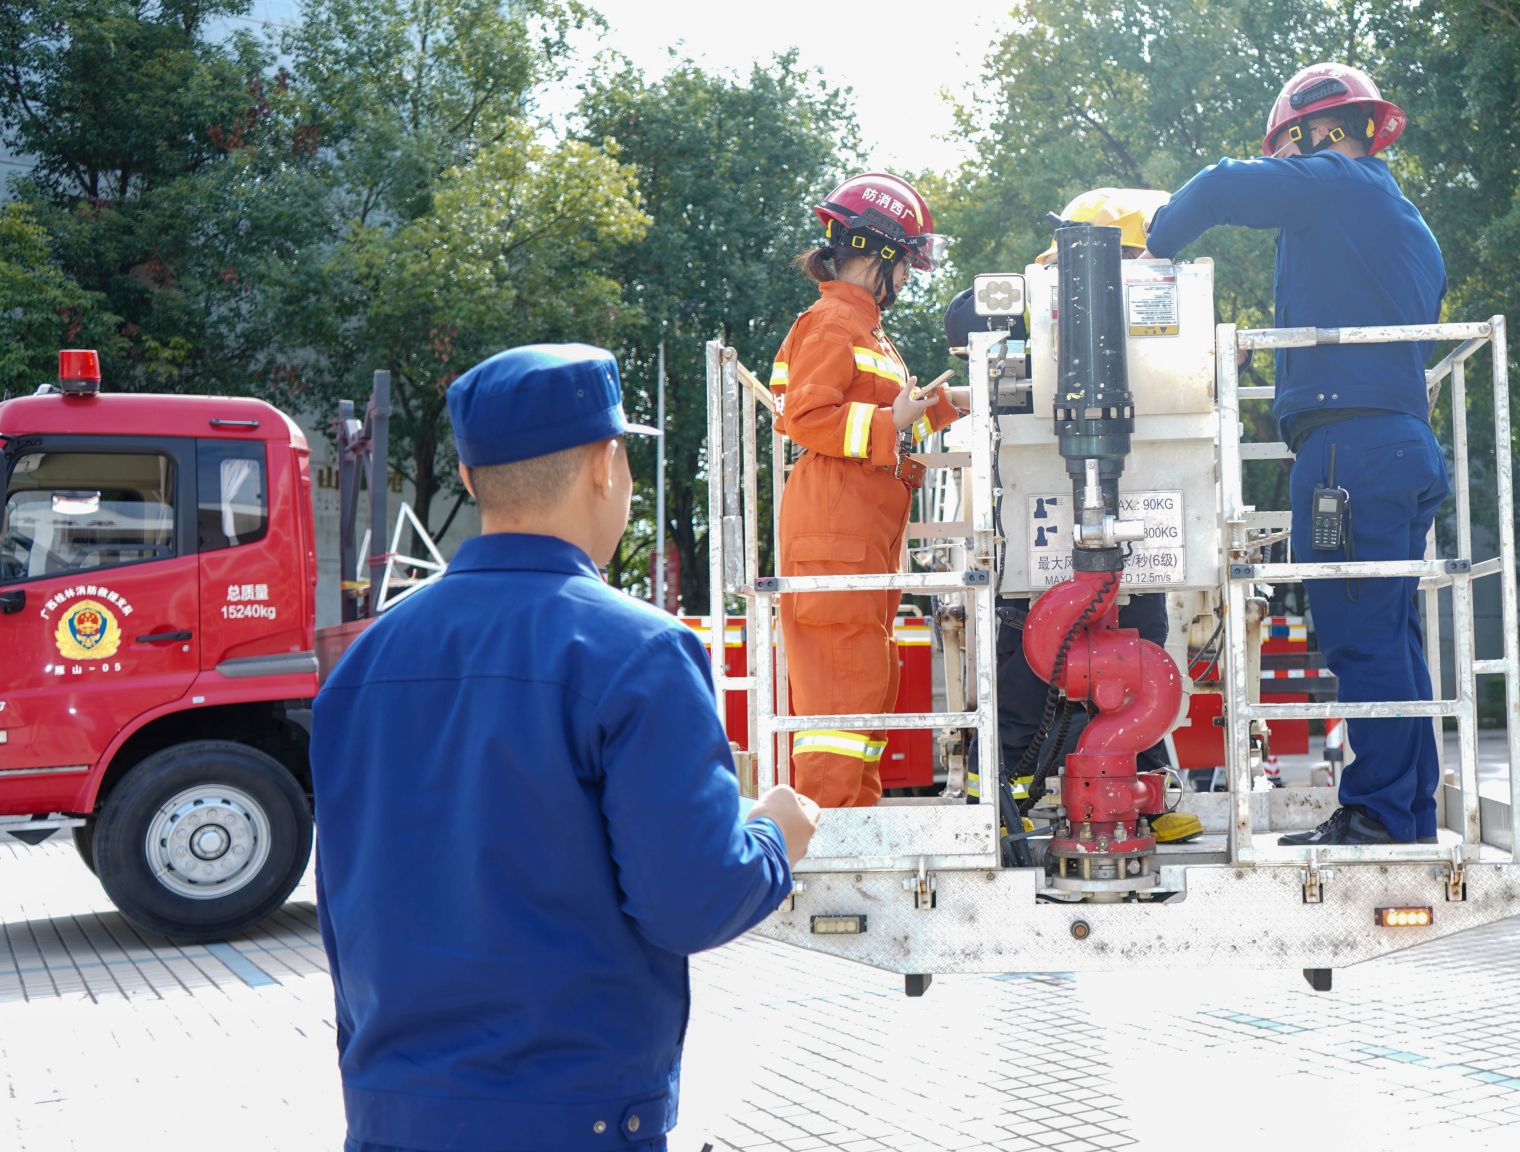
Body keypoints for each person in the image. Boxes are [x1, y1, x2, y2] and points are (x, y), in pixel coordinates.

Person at [312, 344, 818, 1152]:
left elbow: (346, 904)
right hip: (569, 1116)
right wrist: (775, 837)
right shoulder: (640, 653)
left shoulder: (365, 660)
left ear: (470, 477)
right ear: (604, 465)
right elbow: (692, 901)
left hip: (393, 1116)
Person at [1145, 62, 1449, 846]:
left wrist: (1153, 250)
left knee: (1360, 637)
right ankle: (1408, 812)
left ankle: (1379, 814)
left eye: (1288, 148)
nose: (1283, 164)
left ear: (1320, 132)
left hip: (1348, 453)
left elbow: (1218, 186)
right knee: (1394, 638)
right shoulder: (1403, 220)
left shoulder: (1337, 184)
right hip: (1400, 443)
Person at [943, 188, 1203, 844]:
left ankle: (1144, 792)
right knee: (1032, 670)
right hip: (1040, 527)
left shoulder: (1165, 327)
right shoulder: (1041, 306)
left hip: (1131, 538)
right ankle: (996, 802)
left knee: (1137, 665)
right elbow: (963, 317)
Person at [775, 172, 961, 809]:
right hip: (837, 525)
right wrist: (894, 421)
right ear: (876, 251)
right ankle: (828, 835)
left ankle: (857, 821)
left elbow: (890, 417)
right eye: (905, 261)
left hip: (858, 528)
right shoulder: (833, 323)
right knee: (844, 685)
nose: (907, 275)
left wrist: (959, 402)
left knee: (869, 681)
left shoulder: (863, 327)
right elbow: (806, 418)